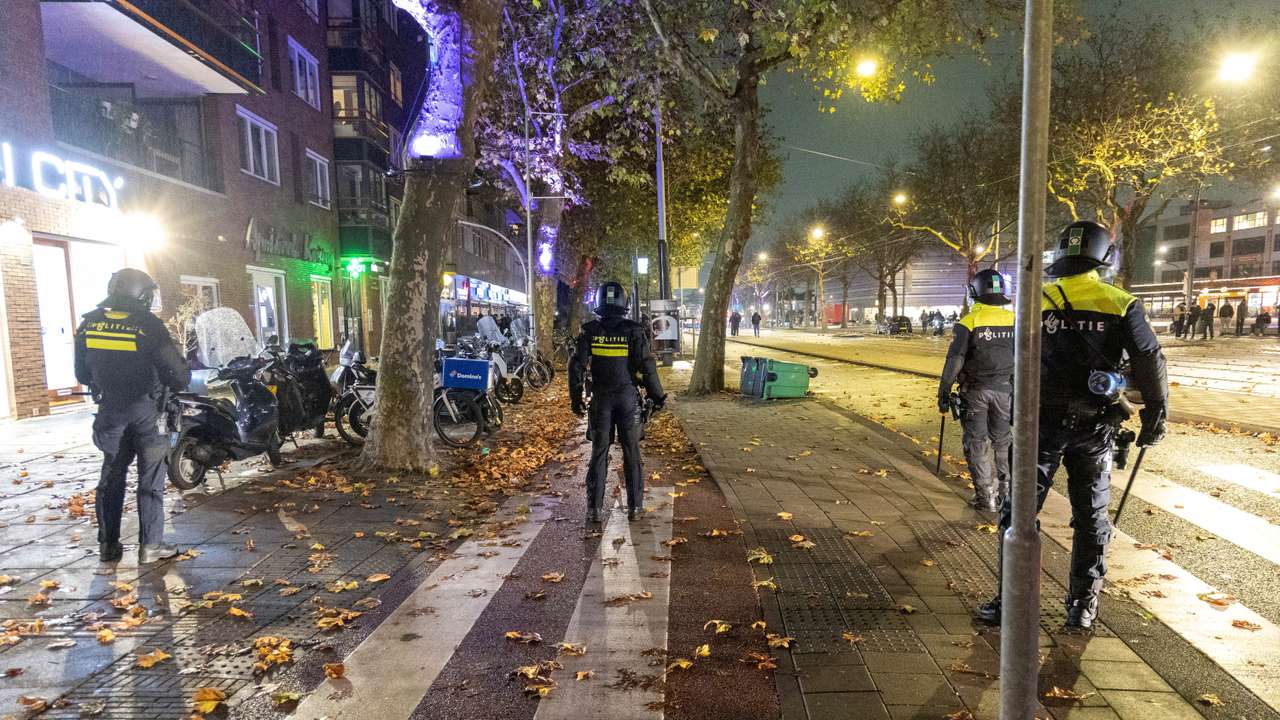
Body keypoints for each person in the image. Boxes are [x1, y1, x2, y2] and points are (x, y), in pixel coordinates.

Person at [973, 221, 1167, 630]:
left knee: (1018, 514)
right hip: (1095, 428)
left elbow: (1016, 359)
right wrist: (1155, 415)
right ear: (1104, 258)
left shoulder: (1035, 301)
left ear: (1061, 256)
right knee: (1092, 518)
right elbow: (1150, 359)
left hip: (1038, 426)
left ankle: (1011, 602)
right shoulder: (1121, 303)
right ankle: (1082, 607)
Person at [74, 269, 192, 564]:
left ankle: (108, 546)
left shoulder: (89, 325)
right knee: (150, 479)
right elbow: (177, 374)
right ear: (140, 294)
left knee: (111, 477)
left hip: (110, 414)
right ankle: (150, 546)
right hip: (146, 414)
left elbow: (82, 374)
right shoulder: (147, 326)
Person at [569, 282, 667, 523]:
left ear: (598, 302)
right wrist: (657, 396)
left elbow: (576, 365)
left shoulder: (590, 330)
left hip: (601, 401)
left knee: (599, 453)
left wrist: (576, 397)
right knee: (632, 452)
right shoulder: (634, 331)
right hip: (628, 400)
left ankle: (594, 510)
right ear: (625, 303)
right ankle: (635, 508)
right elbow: (647, 366)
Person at [937, 269, 1014, 512]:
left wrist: (944, 391)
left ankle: (985, 497)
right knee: (1003, 442)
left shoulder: (968, 322)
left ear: (974, 292)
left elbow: (955, 359)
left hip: (976, 393)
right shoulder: (1014, 321)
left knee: (977, 442)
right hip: (1005, 391)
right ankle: (1006, 495)